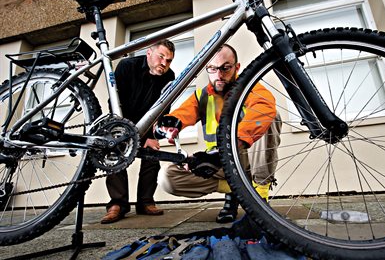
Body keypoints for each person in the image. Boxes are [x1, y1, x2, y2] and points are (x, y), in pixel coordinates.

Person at [156, 44, 281, 223]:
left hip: (247, 161)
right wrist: (172, 122)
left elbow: (264, 107)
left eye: (226, 68)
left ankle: (259, 197)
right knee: (167, 178)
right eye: (213, 68)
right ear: (207, 68)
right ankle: (235, 191)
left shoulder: (250, 87)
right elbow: (183, 113)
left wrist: (230, 145)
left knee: (271, 116)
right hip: (221, 164)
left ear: (236, 68)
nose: (219, 75)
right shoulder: (202, 96)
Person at [101, 39, 176, 224]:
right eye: (161, 57)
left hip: (148, 123)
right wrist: (135, 136)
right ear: (149, 52)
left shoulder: (170, 76)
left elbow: (164, 108)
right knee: (115, 154)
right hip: (122, 121)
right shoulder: (127, 66)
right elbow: (115, 103)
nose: (164, 64)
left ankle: (145, 202)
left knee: (153, 153)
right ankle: (117, 204)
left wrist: (155, 134)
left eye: (169, 60)